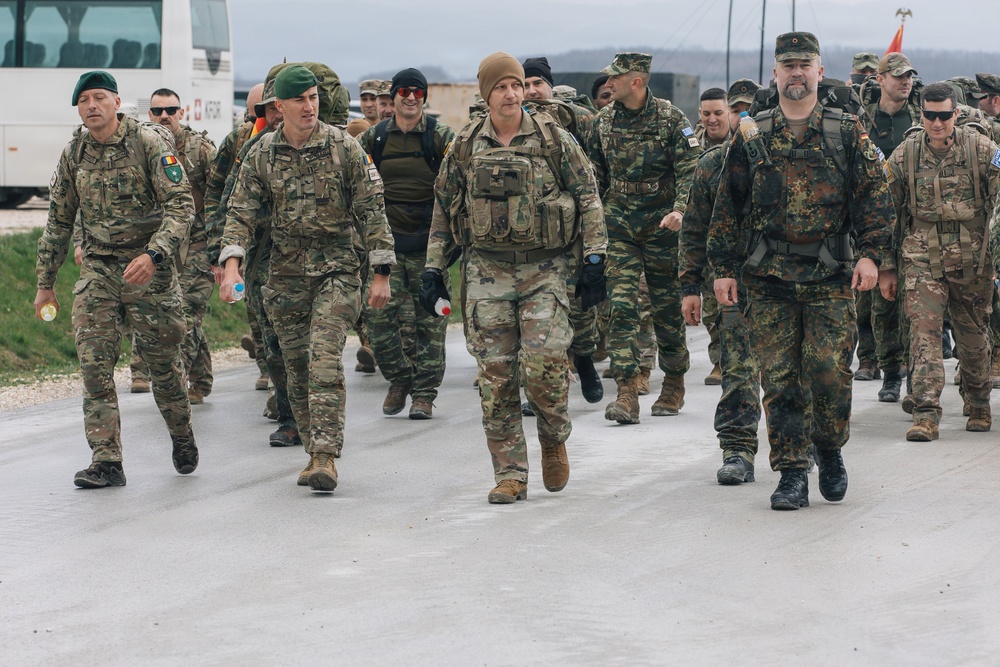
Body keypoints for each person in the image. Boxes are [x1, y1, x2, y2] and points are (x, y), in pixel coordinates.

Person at [709, 32, 895, 510]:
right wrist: (723, 269)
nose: (796, 73)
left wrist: (872, 255)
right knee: (781, 378)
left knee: (829, 373)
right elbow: (727, 206)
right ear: (775, 73)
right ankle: (792, 472)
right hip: (768, 276)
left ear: (818, 71)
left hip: (830, 274)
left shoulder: (846, 130)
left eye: (804, 64)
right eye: (787, 65)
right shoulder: (752, 133)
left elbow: (876, 198)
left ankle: (829, 450)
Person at [420, 52, 607, 504]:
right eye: (500, 87)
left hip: (545, 269)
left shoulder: (553, 139)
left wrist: (596, 258)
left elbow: (588, 196)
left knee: (544, 366)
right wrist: (432, 268)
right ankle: (510, 474)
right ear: (486, 94)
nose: (510, 94)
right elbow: (444, 209)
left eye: (516, 85)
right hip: (486, 270)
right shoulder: (465, 145)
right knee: (496, 376)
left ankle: (553, 438)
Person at [219, 65, 395, 492]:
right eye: (299, 99)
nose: (309, 106)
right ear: (280, 106)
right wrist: (231, 267)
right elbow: (240, 211)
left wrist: (381, 272)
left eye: (314, 98)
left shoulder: (343, 148)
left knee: (323, 359)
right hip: (285, 276)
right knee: (294, 369)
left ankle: (325, 456)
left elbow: (372, 209)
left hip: (335, 268)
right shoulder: (263, 152)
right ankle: (312, 446)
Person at [35, 70, 198, 488]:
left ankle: (181, 433)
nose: (92, 106)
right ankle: (107, 460)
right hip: (100, 271)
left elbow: (181, 207)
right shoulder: (75, 152)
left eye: (100, 98)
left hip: (149, 272)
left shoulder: (149, 142)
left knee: (163, 366)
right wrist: (45, 282)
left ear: (117, 102)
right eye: (84, 99)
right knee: (94, 365)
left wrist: (154, 254)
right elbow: (58, 221)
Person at [879, 82, 998, 441]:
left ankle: (978, 400)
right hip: (921, 257)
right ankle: (926, 411)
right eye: (929, 115)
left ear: (955, 114)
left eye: (944, 115)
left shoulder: (981, 148)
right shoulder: (905, 155)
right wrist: (885, 264)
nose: (936, 123)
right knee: (923, 333)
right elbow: (885, 211)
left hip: (972, 258)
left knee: (973, 336)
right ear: (922, 114)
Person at [586, 52, 701, 423]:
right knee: (621, 308)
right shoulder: (603, 121)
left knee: (667, 311)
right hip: (619, 226)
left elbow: (690, 169)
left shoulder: (670, 119)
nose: (609, 84)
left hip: (662, 227)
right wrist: (597, 216)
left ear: (636, 82)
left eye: (616, 78)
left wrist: (680, 210)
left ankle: (673, 382)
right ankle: (626, 390)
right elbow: (595, 173)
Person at [358, 68, 455, 419]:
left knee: (432, 322)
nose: (411, 97)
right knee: (378, 320)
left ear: (424, 97)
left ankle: (425, 395)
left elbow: (461, 185)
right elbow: (355, 184)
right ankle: (399, 379)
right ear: (394, 96)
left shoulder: (441, 137)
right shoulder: (375, 139)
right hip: (388, 248)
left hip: (431, 247)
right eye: (404, 91)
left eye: (417, 91)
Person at [681, 77, 763, 484]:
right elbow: (695, 229)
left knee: (795, 375)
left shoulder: (790, 158)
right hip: (736, 284)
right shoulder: (711, 165)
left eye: (754, 111)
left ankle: (802, 448)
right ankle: (737, 449)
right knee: (738, 370)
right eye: (740, 110)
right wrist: (688, 286)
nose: (746, 118)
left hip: (795, 283)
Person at [128, 88, 217, 404]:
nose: (164, 116)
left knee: (188, 311)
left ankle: (176, 387)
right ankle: (202, 379)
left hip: (199, 243)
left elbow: (222, 196)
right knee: (168, 314)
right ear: (148, 115)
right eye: (157, 111)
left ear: (182, 112)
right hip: (162, 246)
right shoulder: (143, 148)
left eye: (171, 110)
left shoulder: (201, 150)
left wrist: (222, 251)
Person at [857, 52, 920, 401]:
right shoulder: (863, 119)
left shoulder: (920, 116)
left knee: (915, 301)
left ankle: (915, 375)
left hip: (916, 218)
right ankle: (890, 372)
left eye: (909, 76)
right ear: (880, 79)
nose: (905, 82)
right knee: (881, 302)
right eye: (897, 76)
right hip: (876, 219)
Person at [205, 82, 272, 391]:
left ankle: (276, 368)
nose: (255, 118)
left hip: (280, 242)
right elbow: (219, 192)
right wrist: (221, 249)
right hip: (247, 239)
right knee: (255, 305)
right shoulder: (239, 141)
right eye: (253, 112)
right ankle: (266, 366)